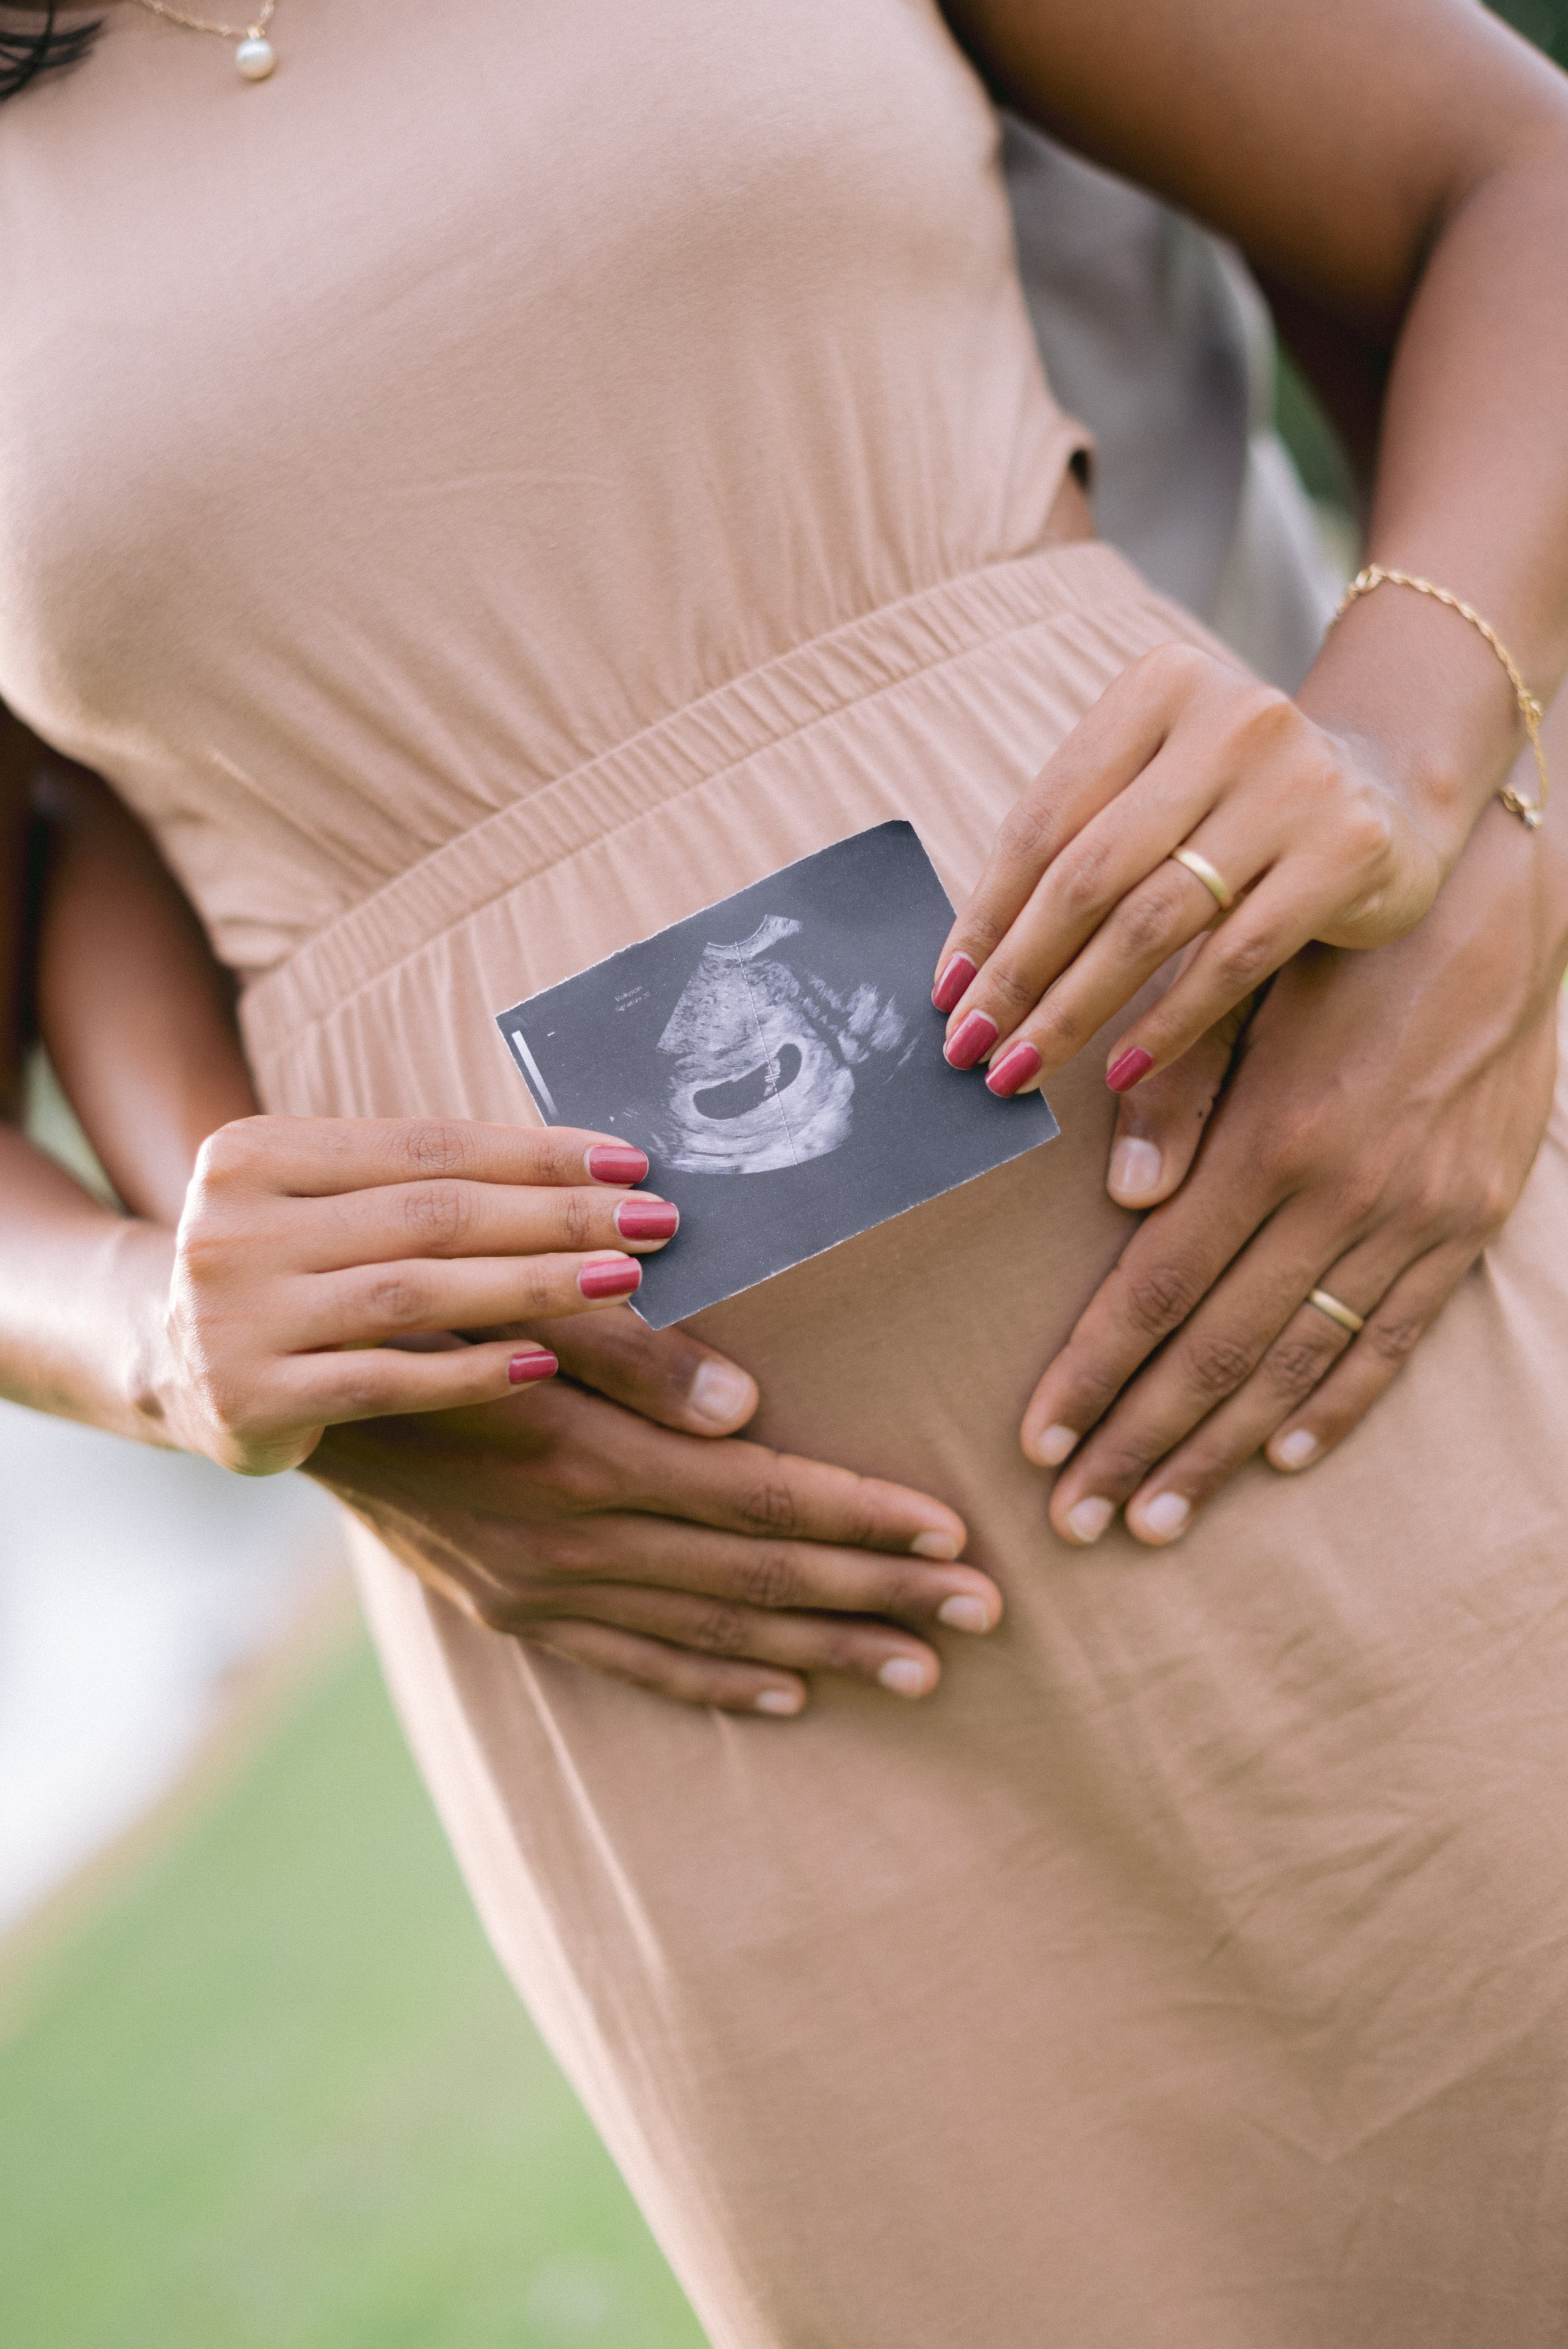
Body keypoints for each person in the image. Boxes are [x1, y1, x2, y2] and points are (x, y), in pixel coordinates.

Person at [3, 3, 1568, 2340]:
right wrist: (151, 1321)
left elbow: (1505, 178)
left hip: (1337, 1283)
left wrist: (1436, 773)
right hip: (700, 1656)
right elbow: (67, 838)